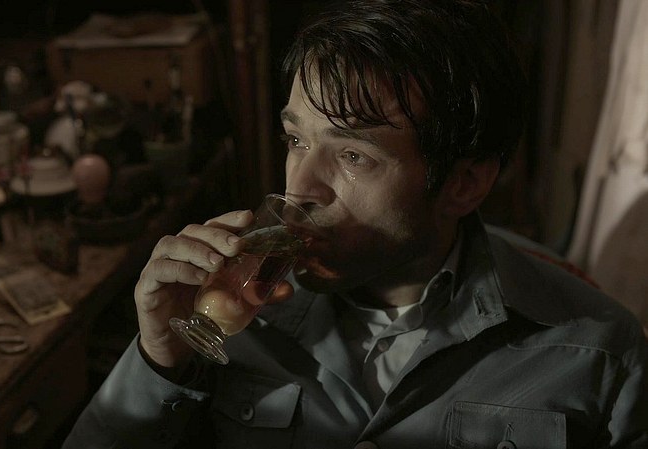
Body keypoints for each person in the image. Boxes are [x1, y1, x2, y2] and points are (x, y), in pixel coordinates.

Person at [62, 0, 648, 447]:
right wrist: (159, 360)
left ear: (464, 183)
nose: (299, 188)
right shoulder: (232, 311)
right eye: (295, 139)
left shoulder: (595, 353)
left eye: (352, 155)